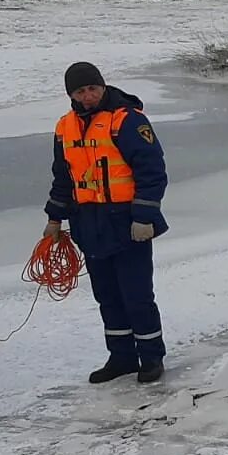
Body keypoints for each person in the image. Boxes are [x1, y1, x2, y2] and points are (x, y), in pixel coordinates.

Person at [43, 61, 169, 383]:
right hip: (89, 224)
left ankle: (151, 357)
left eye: (92, 89)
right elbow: (63, 177)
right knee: (107, 296)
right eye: (80, 91)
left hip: (127, 224)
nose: (88, 97)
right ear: (71, 94)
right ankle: (122, 356)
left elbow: (152, 171)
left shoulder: (126, 120)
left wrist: (144, 217)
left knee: (136, 294)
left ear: (102, 86)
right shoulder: (64, 127)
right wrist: (54, 219)